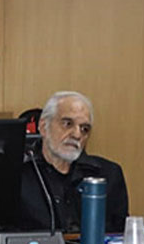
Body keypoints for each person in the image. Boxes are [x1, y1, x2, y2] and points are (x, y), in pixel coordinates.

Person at [18, 91, 128, 233]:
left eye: (84, 129)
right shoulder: (17, 174)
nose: (77, 134)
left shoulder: (108, 174)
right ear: (44, 127)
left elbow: (123, 234)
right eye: (67, 124)